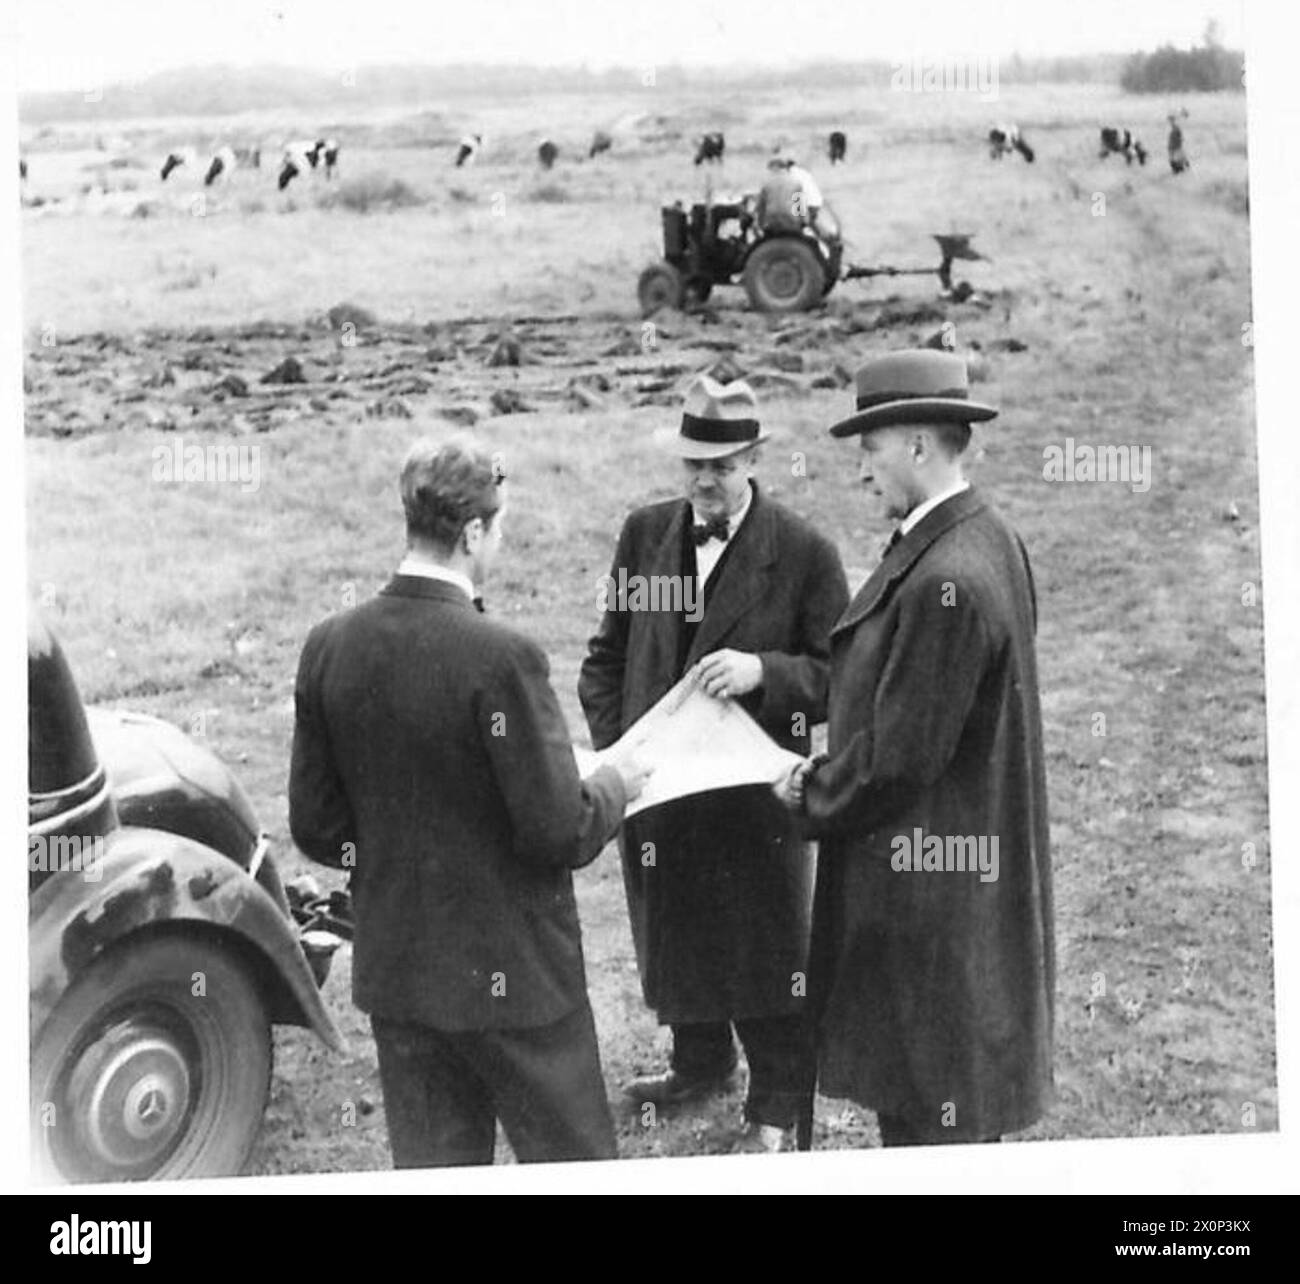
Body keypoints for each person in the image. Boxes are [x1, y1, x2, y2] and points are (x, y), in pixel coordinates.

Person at [289, 436, 646, 1167]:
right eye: (501, 527)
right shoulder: (502, 655)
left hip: (402, 979)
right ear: (473, 532)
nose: (501, 543)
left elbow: (317, 826)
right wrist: (616, 783)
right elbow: (560, 829)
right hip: (518, 988)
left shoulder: (329, 645)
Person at [776, 349, 1054, 1147]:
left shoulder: (949, 581)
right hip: (962, 888)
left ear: (920, 446)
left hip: (936, 914)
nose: (863, 470)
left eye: (871, 447)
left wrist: (810, 793)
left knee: (931, 1120)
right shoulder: (987, 537)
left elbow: (900, 760)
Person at [579, 376, 849, 1152]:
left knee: (765, 954)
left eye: (723, 466)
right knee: (675, 935)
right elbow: (606, 657)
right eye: (694, 465)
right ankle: (698, 1061)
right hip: (660, 794)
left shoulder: (803, 554)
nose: (705, 481)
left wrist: (767, 673)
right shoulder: (644, 535)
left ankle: (774, 1104)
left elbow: (839, 678)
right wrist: (627, 745)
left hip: (752, 802)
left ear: (755, 460)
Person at [755, 154, 823, 235]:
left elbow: (761, 209)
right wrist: (805, 223)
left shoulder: (765, 184)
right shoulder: (796, 183)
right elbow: (801, 211)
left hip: (772, 225)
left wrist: (760, 225)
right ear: (786, 168)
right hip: (792, 224)